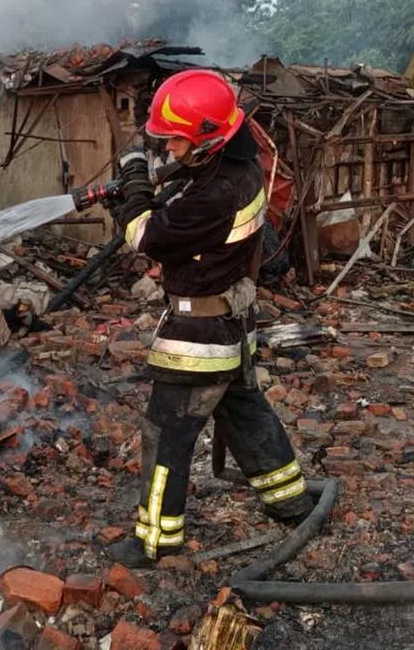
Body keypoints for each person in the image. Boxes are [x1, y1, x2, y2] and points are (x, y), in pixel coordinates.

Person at [105, 68, 315, 569]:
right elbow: (187, 195)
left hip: (197, 338)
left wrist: (134, 182)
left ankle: (155, 539)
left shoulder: (214, 195)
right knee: (244, 410)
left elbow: (146, 237)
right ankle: (291, 500)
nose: (170, 150)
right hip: (232, 327)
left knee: (167, 434)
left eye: (175, 141)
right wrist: (157, 176)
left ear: (207, 138)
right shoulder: (238, 169)